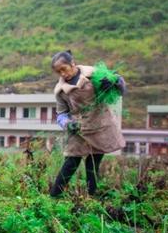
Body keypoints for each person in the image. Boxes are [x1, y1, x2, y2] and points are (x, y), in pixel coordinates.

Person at [49, 50, 126, 198]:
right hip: (79, 128)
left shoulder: (95, 74)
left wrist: (114, 82)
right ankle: (54, 196)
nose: (62, 74)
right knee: (71, 162)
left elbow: (120, 86)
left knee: (92, 165)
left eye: (64, 69)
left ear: (72, 63)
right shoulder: (60, 91)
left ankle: (91, 197)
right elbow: (61, 114)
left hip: (100, 125)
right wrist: (67, 124)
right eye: (58, 72)